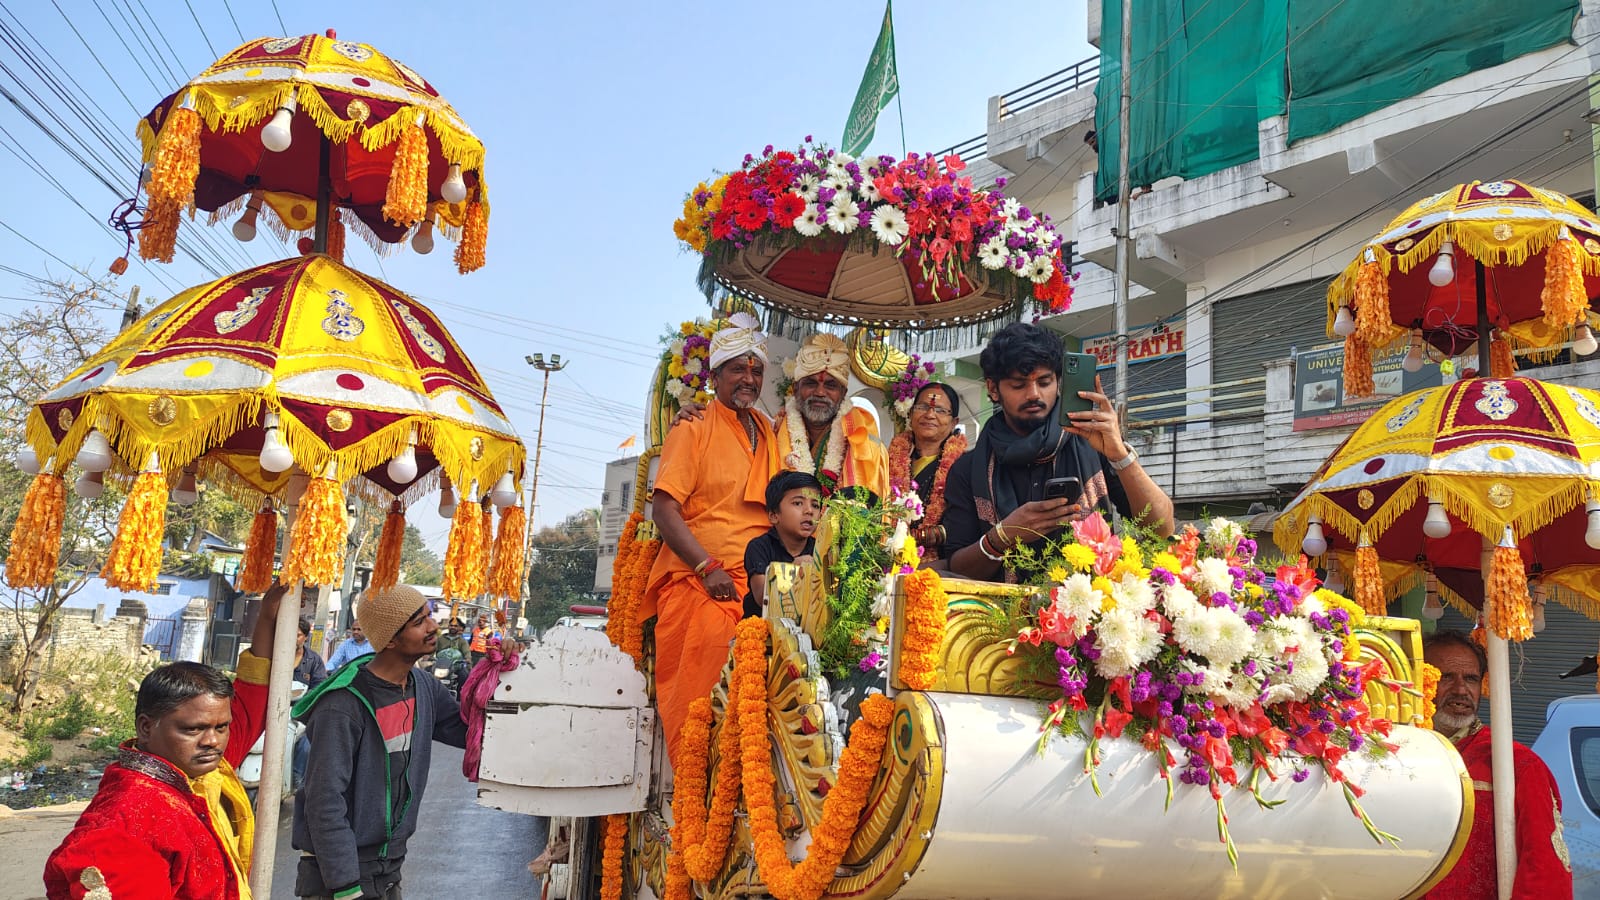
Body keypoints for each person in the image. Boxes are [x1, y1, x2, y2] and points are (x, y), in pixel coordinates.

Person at [44, 583, 289, 900]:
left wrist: (268, 617)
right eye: (193, 729)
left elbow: (253, 699)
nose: (212, 741)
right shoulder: (126, 823)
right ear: (146, 727)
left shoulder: (201, 772)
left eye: (221, 727)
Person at [293, 584, 501, 900]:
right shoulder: (343, 705)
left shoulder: (423, 686)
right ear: (390, 638)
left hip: (387, 869)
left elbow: (469, 733)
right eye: (419, 622)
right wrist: (347, 888)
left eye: (429, 616)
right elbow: (324, 801)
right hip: (339, 875)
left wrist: (502, 673)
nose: (433, 627)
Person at [640, 312, 779, 765]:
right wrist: (707, 567)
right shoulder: (694, 425)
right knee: (707, 687)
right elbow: (664, 509)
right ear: (716, 374)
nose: (749, 378)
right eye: (738, 368)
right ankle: (695, 783)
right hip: (703, 581)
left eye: (756, 370)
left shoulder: (768, 430)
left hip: (760, 579)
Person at [944, 322, 1175, 581]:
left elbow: (1162, 529)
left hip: (1093, 611)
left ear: (1058, 382)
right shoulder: (968, 469)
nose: (1034, 394)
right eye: (1018, 385)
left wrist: (1119, 454)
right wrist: (1002, 536)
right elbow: (957, 569)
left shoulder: (1093, 445)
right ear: (993, 389)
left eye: (1044, 382)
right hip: (999, 616)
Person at [1421, 630, 1572, 898]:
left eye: (1471, 679)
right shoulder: (1392, 753)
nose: (1460, 690)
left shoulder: (1517, 765)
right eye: (1446, 677)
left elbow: (1544, 873)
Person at [775, 333, 889, 500]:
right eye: (811, 383)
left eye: (830, 385)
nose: (820, 392)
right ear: (795, 388)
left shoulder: (864, 436)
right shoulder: (774, 431)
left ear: (843, 393)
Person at [887, 382, 968, 559]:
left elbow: (960, 526)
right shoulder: (887, 459)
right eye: (923, 407)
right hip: (885, 558)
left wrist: (908, 538)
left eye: (940, 410)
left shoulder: (965, 466)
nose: (930, 414)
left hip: (938, 565)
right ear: (910, 414)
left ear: (954, 422)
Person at [743, 471, 823, 618]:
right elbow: (762, 597)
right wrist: (792, 570)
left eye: (815, 505)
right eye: (798, 503)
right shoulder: (759, 547)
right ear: (774, 515)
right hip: (764, 634)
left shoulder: (821, 550)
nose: (809, 511)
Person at [295, 617, 329, 689]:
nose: (293, 639)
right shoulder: (276, 656)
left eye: (298, 635)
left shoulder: (314, 660)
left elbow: (320, 686)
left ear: (306, 637)